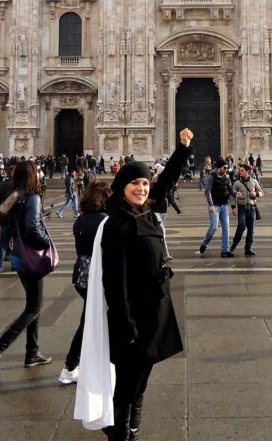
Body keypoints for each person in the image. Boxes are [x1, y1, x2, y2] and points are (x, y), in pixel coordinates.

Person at [93, 128, 191, 440]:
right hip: (134, 314)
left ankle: (131, 426)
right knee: (129, 382)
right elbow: (114, 280)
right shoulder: (118, 224)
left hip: (154, 310)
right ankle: (120, 431)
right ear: (121, 187)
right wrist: (124, 323)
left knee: (142, 375)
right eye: (135, 183)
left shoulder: (145, 210)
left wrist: (183, 149)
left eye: (145, 183)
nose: (142, 188)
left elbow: (165, 183)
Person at [0, 161, 52, 372]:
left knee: (34, 304)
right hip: (31, 256)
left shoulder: (14, 197)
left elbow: (5, 217)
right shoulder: (32, 198)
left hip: (18, 256)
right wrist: (45, 242)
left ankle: (32, 352)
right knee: (34, 307)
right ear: (33, 176)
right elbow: (32, 228)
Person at [57, 179, 111, 386]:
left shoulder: (80, 220)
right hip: (98, 275)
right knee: (90, 322)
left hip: (81, 275)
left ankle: (79, 365)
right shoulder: (104, 220)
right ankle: (70, 366)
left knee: (92, 319)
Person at [198, 159, 233, 257]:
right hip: (215, 206)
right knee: (214, 227)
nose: (226, 169)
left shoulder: (227, 177)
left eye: (227, 167)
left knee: (226, 228)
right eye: (224, 167)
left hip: (224, 205)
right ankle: (204, 243)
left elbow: (230, 190)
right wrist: (211, 204)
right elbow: (207, 191)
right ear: (219, 168)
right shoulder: (211, 177)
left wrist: (236, 194)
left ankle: (225, 250)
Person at [229, 163, 262, 256]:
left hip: (252, 208)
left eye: (242, 171)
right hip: (242, 208)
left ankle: (248, 248)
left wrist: (256, 194)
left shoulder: (254, 181)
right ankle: (234, 245)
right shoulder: (237, 183)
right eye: (240, 171)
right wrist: (233, 207)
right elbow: (232, 196)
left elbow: (261, 192)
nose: (240, 172)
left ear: (248, 171)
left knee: (251, 230)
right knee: (241, 226)